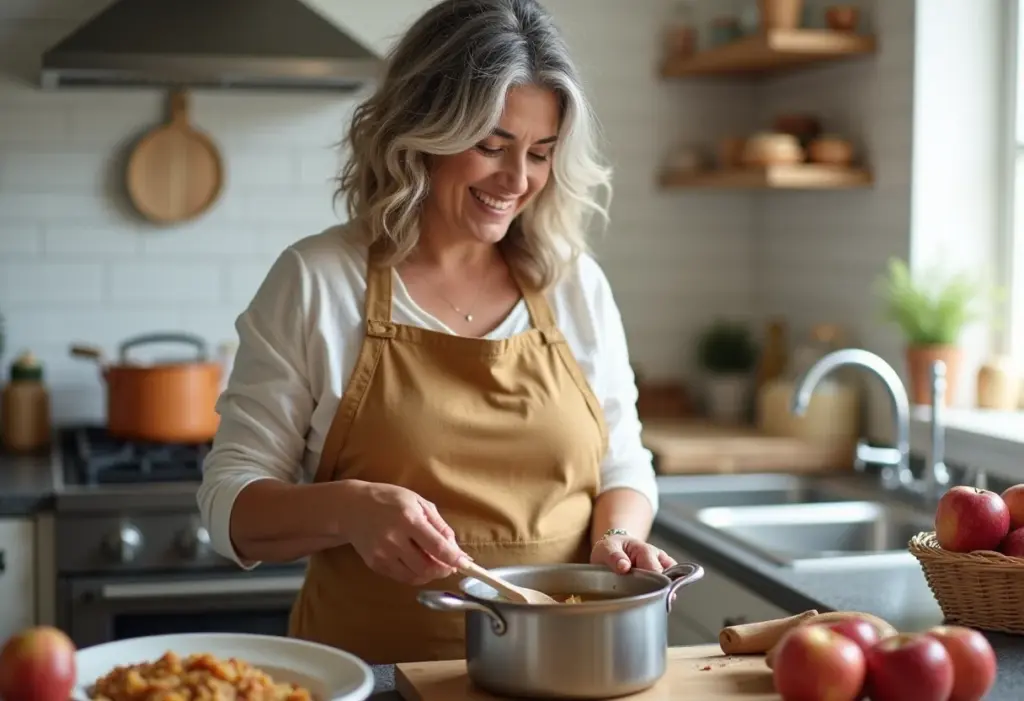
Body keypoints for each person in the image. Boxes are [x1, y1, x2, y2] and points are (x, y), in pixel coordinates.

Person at [197, 0, 672, 665]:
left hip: (562, 670)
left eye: (540, 153)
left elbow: (623, 461)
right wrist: (348, 509)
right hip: (373, 675)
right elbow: (228, 505)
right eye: (492, 146)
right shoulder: (319, 281)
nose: (517, 181)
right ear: (423, 129)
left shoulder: (574, 285)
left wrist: (615, 537)